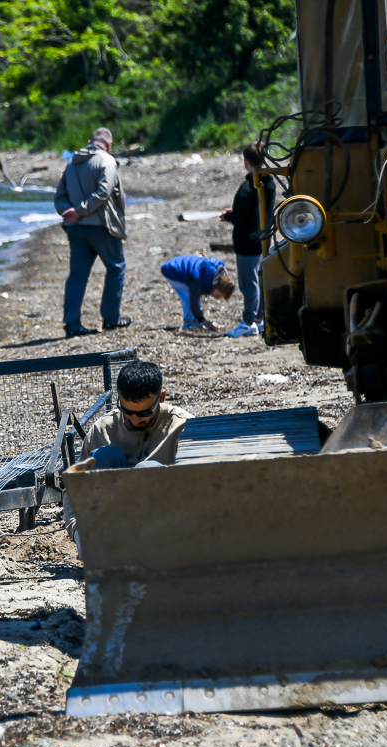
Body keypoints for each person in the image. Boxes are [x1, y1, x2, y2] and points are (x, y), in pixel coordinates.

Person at [63, 361, 193, 550]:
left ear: (161, 397)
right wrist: (78, 532)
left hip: (166, 533)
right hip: (113, 534)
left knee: (147, 471)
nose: (134, 419)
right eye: (126, 411)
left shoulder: (183, 427)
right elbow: (74, 489)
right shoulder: (103, 430)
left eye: (144, 413)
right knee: (106, 455)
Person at [53, 127, 132, 338]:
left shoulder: (72, 163)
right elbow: (103, 192)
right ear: (109, 143)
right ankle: (111, 318)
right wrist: (80, 211)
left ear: (90, 141)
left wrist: (67, 212)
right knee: (116, 268)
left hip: (76, 229)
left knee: (77, 275)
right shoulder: (107, 161)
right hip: (101, 227)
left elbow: (59, 196)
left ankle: (72, 324)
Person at [220, 143, 276, 338]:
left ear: (246, 161)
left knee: (248, 282)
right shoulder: (269, 183)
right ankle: (260, 319)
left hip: (247, 242)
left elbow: (241, 216)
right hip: (263, 239)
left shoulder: (247, 186)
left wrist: (228, 216)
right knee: (260, 280)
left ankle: (248, 321)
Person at [160, 254, 236, 331]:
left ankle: (195, 320)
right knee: (187, 297)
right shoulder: (199, 280)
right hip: (171, 269)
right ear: (217, 286)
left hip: (180, 266)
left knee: (196, 296)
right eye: (218, 295)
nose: (217, 298)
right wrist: (203, 321)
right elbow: (193, 303)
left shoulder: (213, 275)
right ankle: (189, 321)